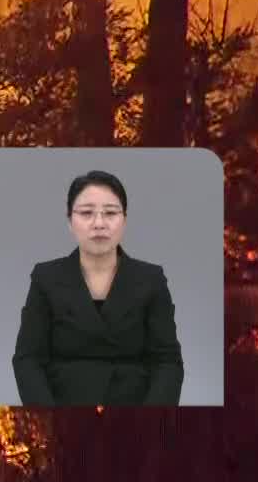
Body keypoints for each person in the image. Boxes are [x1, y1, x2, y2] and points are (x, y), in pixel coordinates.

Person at [11, 170, 184, 405]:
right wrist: (49, 416)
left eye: (110, 213)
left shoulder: (151, 279)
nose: (99, 223)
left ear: (124, 220)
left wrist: (151, 418)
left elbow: (167, 362)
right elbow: (27, 359)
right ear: (70, 221)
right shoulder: (46, 278)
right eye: (86, 213)